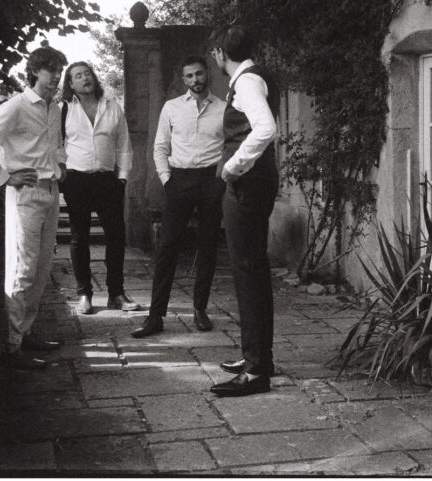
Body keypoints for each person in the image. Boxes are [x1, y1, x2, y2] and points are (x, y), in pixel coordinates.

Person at [0, 46, 68, 370]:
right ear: (35, 71)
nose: (57, 77)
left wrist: (60, 165)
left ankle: (25, 332)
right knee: (22, 269)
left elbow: (56, 145)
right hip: (25, 195)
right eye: (51, 70)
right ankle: (12, 348)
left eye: (60, 71)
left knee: (41, 268)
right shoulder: (16, 107)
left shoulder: (55, 107)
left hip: (51, 192)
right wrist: (5, 177)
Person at [207, 24, 280, 397]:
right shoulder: (249, 79)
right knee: (252, 271)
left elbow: (266, 128)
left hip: (247, 185)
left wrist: (233, 166)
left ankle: (256, 371)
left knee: (248, 271)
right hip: (254, 183)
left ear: (221, 53)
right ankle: (258, 358)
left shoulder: (247, 82)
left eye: (214, 53)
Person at [131, 56, 226, 339]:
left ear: (207, 74)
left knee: (208, 246)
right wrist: (167, 180)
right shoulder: (172, 107)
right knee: (168, 247)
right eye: (189, 76)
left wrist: (221, 178)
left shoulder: (223, 108)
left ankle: (200, 309)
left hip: (212, 181)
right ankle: (155, 316)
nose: (195, 80)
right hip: (179, 180)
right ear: (183, 79)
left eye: (199, 74)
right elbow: (160, 146)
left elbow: (229, 146)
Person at [61, 61, 140, 315]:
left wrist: (123, 178)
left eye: (87, 73)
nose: (85, 78)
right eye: (78, 76)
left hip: (107, 180)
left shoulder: (112, 107)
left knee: (116, 236)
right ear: (70, 84)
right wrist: (61, 175)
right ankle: (84, 294)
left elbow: (124, 145)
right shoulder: (64, 109)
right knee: (79, 238)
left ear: (94, 77)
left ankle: (116, 293)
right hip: (76, 180)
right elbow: (56, 145)